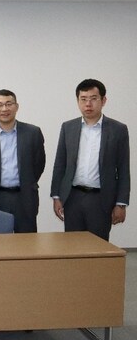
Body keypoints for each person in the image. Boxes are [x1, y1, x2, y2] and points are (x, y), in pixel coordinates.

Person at [51, 79, 130, 241]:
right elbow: (60, 164)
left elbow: (123, 169)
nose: (88, 104)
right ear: (78, 101)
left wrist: (121, 203)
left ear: (103, 100)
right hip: (72, 197)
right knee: (72, 245)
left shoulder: (118, 129)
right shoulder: (68, 127)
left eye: (93, 99)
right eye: (83, 99)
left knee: (98, 245)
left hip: (101, 199)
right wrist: (56, 196)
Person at [0, 89, 46, 233]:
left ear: (16, 106)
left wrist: (27, 181)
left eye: (9, 104)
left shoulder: (33, 132)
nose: (4, 109)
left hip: (24, 197)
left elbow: (39, 164)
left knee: (27, 241)